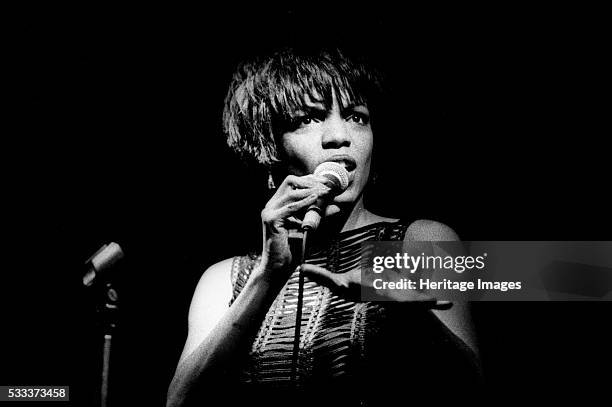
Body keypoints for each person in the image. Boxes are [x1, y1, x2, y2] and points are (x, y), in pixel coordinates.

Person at [167, 45, 481, 407]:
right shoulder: (222, 278)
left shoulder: (422, 240)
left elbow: (474, 390)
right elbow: (179, 402)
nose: (338, 136)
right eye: (308, 118)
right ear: (270, 147)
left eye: (356, 116)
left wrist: (411, 315)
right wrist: (269, 275)